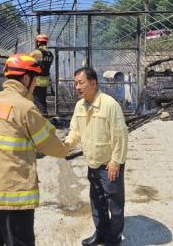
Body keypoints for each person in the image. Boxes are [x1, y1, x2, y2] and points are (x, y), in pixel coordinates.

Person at [0, 54, 70, 246]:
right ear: (25, 78)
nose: (36, 85)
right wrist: (68, 145)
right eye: (35, 80)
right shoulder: (24, 108)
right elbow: (51, 145)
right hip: (12, 195)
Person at [64, 67, 128, 246]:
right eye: (75, 83)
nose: (77, 87)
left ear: (93, 83)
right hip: (92, 164)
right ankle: (101, 233)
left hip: (109, 165)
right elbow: (75, 131)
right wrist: (67, 144)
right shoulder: (80, 106)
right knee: (97, 203)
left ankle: (113, 239)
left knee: (114, 206)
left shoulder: (109, 105)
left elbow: (120, 135)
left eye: (81, 82)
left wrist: (116, 161)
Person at [29, 34, 54, 115]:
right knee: (42, 98)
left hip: (37, 80)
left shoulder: (36, 52)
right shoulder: (50, 54)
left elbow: (28, 61)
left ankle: (42, 116)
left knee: (37, 100)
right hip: (45, 80)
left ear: (38, 42)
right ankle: (44, 113)